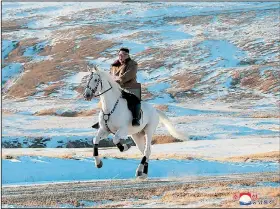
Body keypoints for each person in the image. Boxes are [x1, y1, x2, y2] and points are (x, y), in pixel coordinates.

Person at [92, 48, 141, 129]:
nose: (120, 57)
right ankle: (103, 120)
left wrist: (115, 81)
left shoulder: (133, 64)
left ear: (127, 55)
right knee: (104, 100)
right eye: (119, 55)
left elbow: (127, 76)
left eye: (122, 55)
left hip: (129, 88)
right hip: (116, 88)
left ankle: (136, 119)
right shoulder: (114, 65)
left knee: (134, 101)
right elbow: (110, 76)